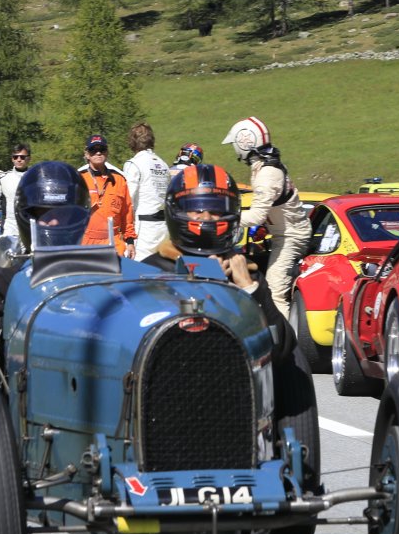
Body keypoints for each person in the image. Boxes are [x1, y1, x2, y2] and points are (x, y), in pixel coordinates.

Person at [145, 161, 296, 363]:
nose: (206, 218)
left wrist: (250, 292)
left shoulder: (246, 273)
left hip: (240, 375)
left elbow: (284, 348)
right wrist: (208, 290)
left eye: (216, 210)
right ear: (177, 211)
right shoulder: (150, 272)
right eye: (196, 210)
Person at [0, 161, 91, 383]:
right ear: (27, 217)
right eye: (43, 213)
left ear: (77, 216)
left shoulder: (101, 273)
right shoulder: (4, 281)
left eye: (63, 213)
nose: (53, 222)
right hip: (25, 380)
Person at [224, 116, 311, 319]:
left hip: (290, 237)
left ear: (245, 142)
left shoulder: (267, 174)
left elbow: (256, 215)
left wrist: (227, 219)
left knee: (275, 292)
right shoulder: (267, 166)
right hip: (285, 234)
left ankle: (283, 335)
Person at [78, 134, 135, 256]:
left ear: (107, 152)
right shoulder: (79, 179)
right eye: (93, 150)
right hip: (86, 241)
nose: (98, 153)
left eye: (102, 149)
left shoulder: (119, 180)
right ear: (87, 154)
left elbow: (127, 213)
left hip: (113, 242)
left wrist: (130, 242)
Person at [123, 122, 170, 262]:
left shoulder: (134, 164)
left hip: (144, 226)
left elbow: (128, 198)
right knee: (161, 265)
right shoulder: (163, 164)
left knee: (139, 266)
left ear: (132, 141)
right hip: (163, 226)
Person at [0, 145, 29, 240]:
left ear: (28, 158)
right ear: (12, 159)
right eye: (15, 157)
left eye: (22, 157)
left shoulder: (36, 177)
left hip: (31, 227)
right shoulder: (2, 177)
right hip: (10, 228)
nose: (19, 159)